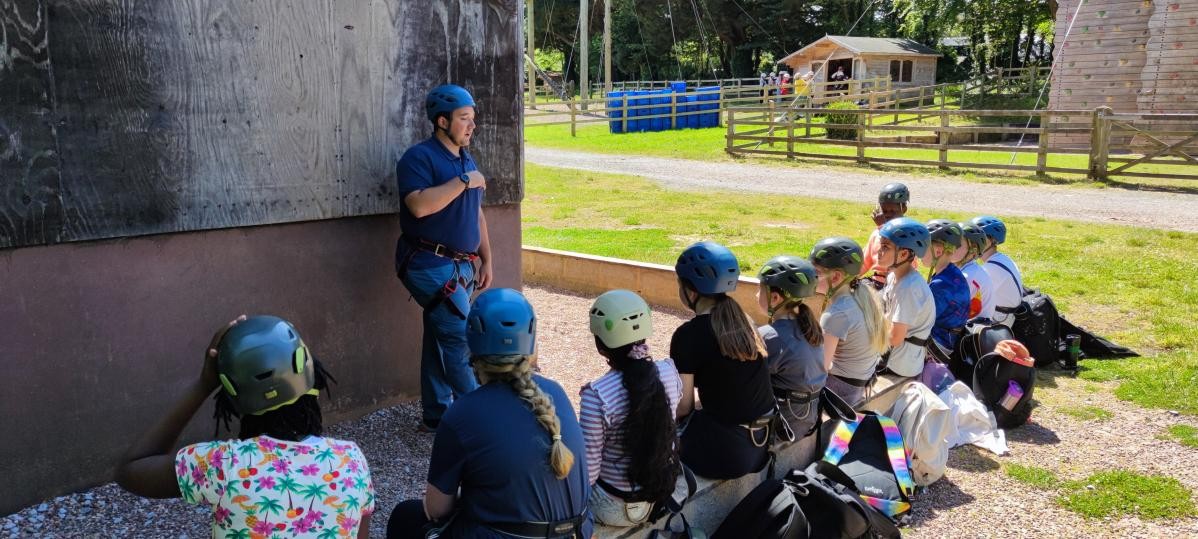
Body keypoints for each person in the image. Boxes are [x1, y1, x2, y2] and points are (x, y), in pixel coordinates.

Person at [116, 316, 376, 539]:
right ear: (310, 373)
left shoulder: (221, 465)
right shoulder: (351, 460)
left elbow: (131, 469)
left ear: (230, 391)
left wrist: (203, 385)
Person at [386, 289, 592, 538]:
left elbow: (437, 509)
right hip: (577, 533)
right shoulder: (556, 392)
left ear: (473, 344)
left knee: (405, 516)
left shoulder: (461, 414)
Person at [395, 84, 494, 432]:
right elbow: (419, 206)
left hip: (462, 265)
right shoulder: (418, 158)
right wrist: (464, 180)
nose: (472, 126)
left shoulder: (466, 158)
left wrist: (486, 259)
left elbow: (476, 214)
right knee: (460, 339)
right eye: (464, 118)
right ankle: (479, 424)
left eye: (472, 118)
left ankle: (437, 415)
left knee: (441, 335)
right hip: (427, 263)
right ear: (442, 121)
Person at [580, 290, 683, 528]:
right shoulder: (669, 371)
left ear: (601, 346)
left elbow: (589, 473)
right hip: (660, 494)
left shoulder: (597, 395)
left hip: (612, 507)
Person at [672, 242, 775, 479]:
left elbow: (683, 407)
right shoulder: (744, 321)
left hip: (727, 455)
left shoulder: (688, 335)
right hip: (761, 445)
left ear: (691, 291)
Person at [809, 238, 889, 408]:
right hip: (858, 387)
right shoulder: (861, 297)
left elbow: (820, 368)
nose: (811, 278)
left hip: (839, 393)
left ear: (836, 276)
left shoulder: (836, 314)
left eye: (816, 273)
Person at [756, 255, 827, 437]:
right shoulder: (811, 327)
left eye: (760, 289)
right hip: (808, 419)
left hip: (783, 429)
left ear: (775, 297)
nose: (756, 295)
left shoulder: (769, 336)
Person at [876, 218, 936, 379]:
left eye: (885, 247)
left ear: (903, 254)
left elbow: (895, 338)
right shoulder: (895, 277)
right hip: (894, 357)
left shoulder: (909, 288)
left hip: (899, 366)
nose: (879, 251)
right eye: (880, 245)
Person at [923, 220, 971, 354]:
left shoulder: (942, 284)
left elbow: (920, 321)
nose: (919, 252)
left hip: (939, 344)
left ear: (938, 251)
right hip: (949, 339)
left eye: (924, 247)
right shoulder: (951, 272)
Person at [974, 215, 1024, 328]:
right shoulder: (1001, 258)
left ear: (991, 241)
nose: (973, 243)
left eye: (979, 238)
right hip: (1005, 314)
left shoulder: (991, 268)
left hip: (1000, 319)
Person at [861, 183, 912, 289]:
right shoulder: (876, 234)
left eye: (893, 211)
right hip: (875, 282)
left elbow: (900, 260)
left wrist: (883, 227)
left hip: (897, 284)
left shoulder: (909, 232)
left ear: (904, 209)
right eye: (884, 211)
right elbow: (864, 263)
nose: (888, 214)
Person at [954, 221, 997, 321]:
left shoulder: (967, 277)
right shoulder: (971, 268)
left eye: (958, 244)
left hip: (971, 328)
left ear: (973, 250)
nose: (952, 247)